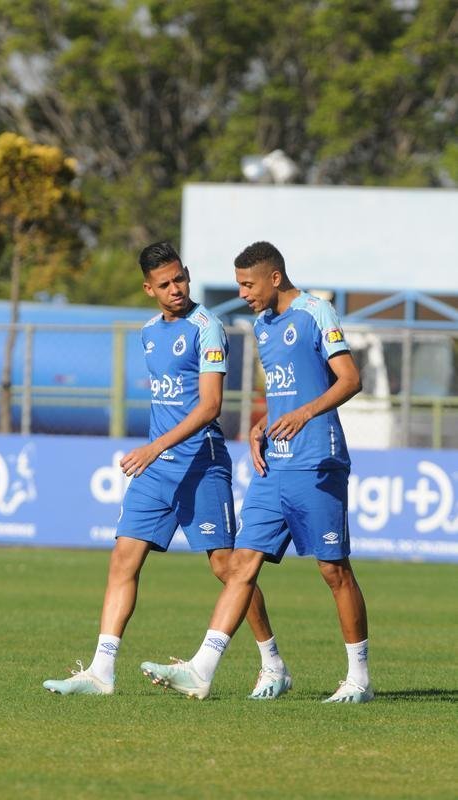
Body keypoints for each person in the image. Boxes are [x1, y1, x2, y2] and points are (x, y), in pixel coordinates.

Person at [43, 241, 289, 699]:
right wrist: (156, 451)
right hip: (157, 471)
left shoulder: (207, 327)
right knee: (123, 559)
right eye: (164, 283)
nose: (175, 288)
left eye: (180, 278)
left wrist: (154, 446)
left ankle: (272, 662)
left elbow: (210, 405)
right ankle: (101, 671)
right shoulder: (148, 333)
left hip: (200, 464)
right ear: (148, 289)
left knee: (227, 568)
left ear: (188, 275)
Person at [141, 241, 374, 704]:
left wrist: (305, 414)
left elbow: (349, 379)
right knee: (240, 566)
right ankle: (203, 669)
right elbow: (290, 390)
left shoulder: (315, 312)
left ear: (273, 277)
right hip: (274, 464)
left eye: (248, 284)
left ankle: (359, 679)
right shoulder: (263, 326)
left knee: (333, 570)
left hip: (316, 460)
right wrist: (262, 425)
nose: (243, 293)